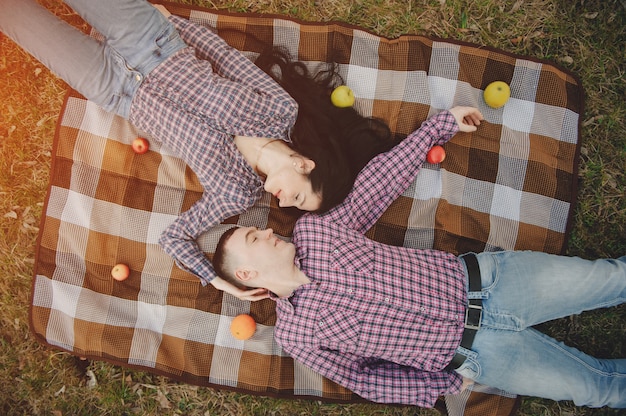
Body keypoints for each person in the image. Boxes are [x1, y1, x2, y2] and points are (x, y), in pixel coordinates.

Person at [212, 106, 626, 408]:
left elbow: (374, 189)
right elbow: (364, 378)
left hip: (493, 283)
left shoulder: (315, 232)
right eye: (255, 236)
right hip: (479, 355)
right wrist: (436, 388)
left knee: (612, 278)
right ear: (247, 272)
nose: (268, 229)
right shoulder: (296, 336)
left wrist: (439, 127)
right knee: (596, 389)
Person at [0, 0, 394, 300]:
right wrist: (172, 25)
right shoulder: (280, 109)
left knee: (16, 19)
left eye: (294, 206)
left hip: (113, 89)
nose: (287, 203)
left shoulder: (236, 192)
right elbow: (223, 57)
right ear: (305, 163)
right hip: (152, 40)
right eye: (301, 196)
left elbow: (174, 238)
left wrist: (220, 282)